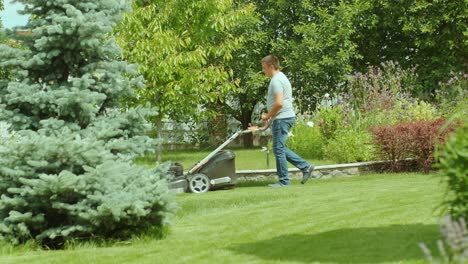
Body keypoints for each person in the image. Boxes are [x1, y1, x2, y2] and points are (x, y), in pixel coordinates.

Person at [249, 55, 314, 187]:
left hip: (282, 117)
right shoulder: (281, 77)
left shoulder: (276, 81)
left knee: (278, 149)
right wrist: (268, 119)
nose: (263, 71)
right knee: (279, 148)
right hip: (283, 117)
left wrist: (267, 116)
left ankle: (284, 181)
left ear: (271, 67)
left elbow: (279, 103)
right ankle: (305, 167)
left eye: (264, 68)